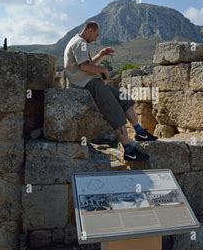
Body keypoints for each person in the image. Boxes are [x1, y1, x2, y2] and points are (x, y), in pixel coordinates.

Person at [63, 21, 157, 161]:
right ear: (89, 30)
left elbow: (86, 64)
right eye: (96, 34)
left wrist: (101, 55)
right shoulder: (80, 43)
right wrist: (103, 70)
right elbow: (84, 67)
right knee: (115, 111)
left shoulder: (78, 42)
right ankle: (129, 150)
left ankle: (139, 131)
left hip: (91, 81)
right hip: (88, 84)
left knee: (123, 98)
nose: (96, 38)